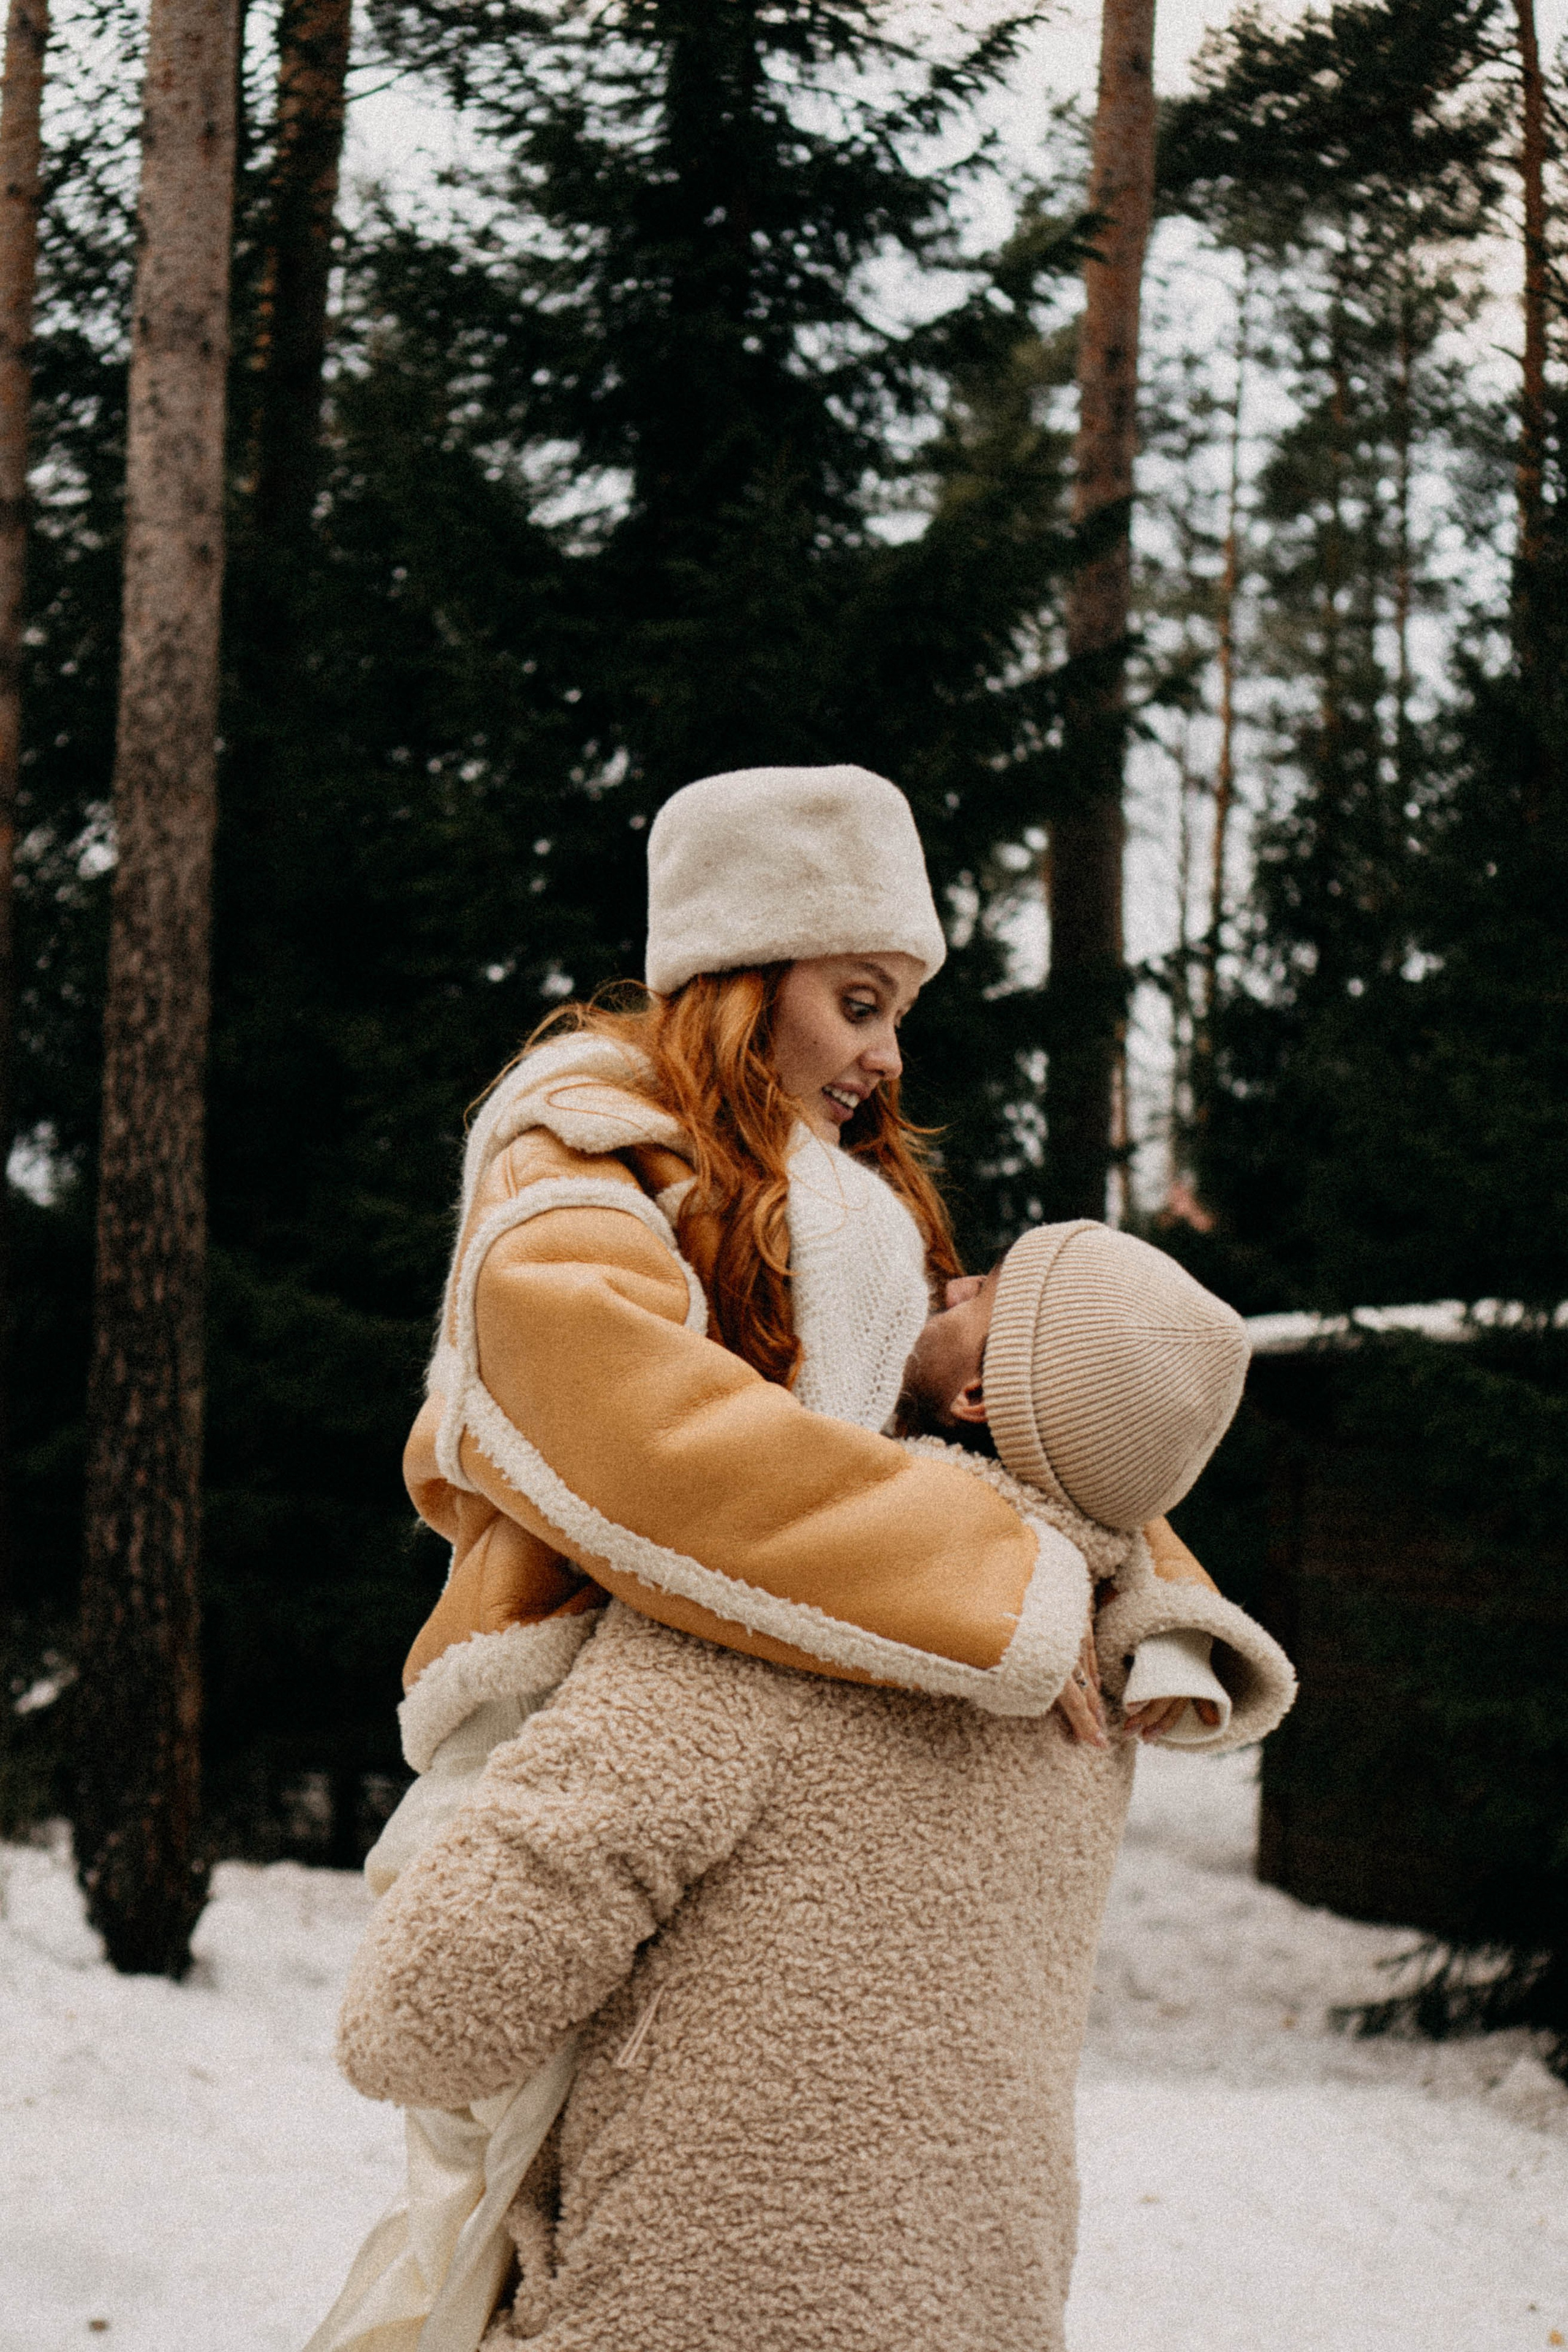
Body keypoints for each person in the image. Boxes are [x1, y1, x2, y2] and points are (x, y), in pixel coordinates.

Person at [333, 1221, 1295, 2352]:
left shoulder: (789, 1604)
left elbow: (426, 2017)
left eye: (980, 1293)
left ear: (980, 1396)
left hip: (699, 2305)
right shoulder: (1106, 1676)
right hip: (984, 2309)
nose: (948, 1275)